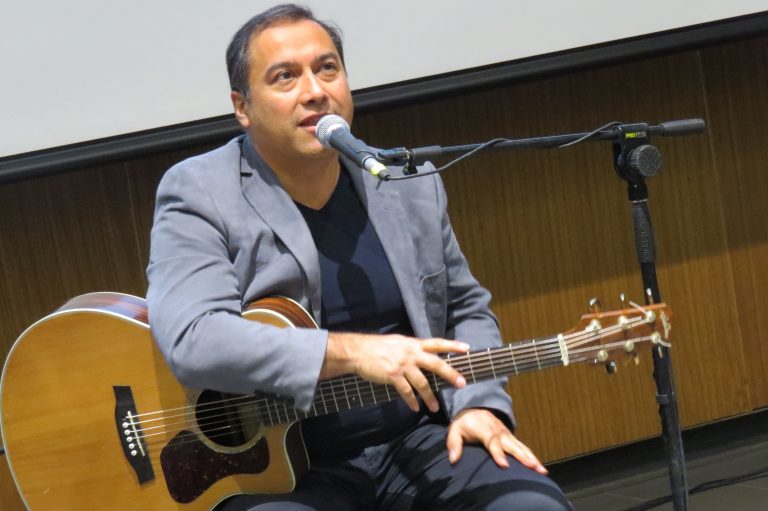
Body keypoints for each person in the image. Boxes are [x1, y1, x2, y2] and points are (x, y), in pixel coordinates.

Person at [146, 4, 572, 510]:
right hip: (284, 475)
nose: (314, 91)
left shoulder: (407, 182)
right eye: (285, 77)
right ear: (243, 107)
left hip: (417, 441)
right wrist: (352, 352)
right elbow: (193, 339)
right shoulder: (200, 191)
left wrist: (479, 406)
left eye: (327, 69)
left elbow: (463, 309)